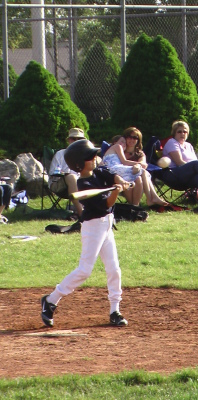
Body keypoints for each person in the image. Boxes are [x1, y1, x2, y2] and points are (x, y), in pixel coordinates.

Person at [41, 139, 133, 328]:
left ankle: (115, 310)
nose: (95, 158)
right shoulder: (83, 185)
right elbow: (106, 204)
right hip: (93, 227)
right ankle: (51, 300)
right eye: (90, 157)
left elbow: (111, 175)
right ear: (79, 164)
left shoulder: (98, 172)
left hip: (107, 224)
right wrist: (116, 193)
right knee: (84, 270)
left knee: (114, 269)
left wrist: (120, 182)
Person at [117, 127, 168, 206]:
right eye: (129, 137)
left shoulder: (139, 153)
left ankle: (138, 204)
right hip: (121, 178)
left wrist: (138, 165)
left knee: (140, 175)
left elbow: (143, 164)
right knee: (143, 173)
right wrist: (136, 165)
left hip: (136, 178)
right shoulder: (119, 151)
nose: (132, 139)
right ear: (125, 138)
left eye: (135, 137)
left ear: (138, 140)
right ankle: (151, 198)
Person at [48, 127, 85, 218]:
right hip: (59, 184)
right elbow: (54, 172)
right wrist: (66, 173)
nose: (76, 141)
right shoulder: (60, 154)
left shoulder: (85, 155)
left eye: (79, 139)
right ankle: (82, 214)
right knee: (71, 177)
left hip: (81, 183)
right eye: (73, 139)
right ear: (69, 140)